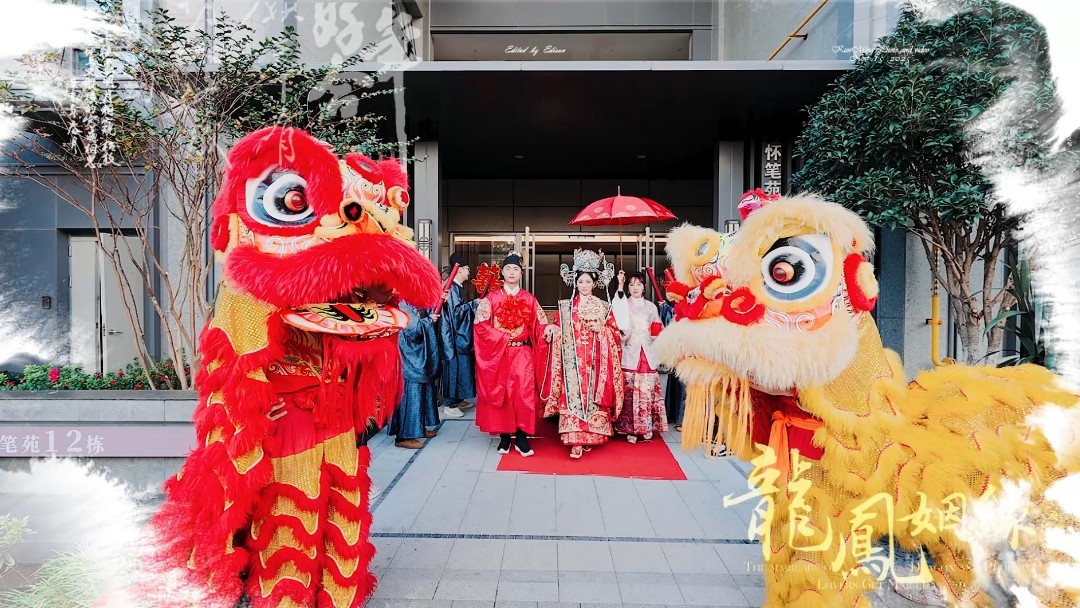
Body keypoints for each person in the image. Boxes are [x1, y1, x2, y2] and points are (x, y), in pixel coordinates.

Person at [542, 250, 624, 459]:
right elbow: (559, 327)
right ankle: (575, 441)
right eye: (580, 281)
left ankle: (592, 436)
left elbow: (615, 334)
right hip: (573, 363)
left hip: (596, 363)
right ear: (575, 283)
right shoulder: (567, 307)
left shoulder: (604, 307)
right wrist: (553, 329)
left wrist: (602, 330)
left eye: (588, 281)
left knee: (594, 398)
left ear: (594, 283)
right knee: (573, 399)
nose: (584, 285)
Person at [473, 252, 557, 457]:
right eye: (508, 269)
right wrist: (502, 337)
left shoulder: (529, 299)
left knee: (524, 394)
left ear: (521, 273)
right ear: (502, 272)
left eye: (516, 269)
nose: (512, 272)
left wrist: (547, 329)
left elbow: (539, 324)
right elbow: (480, 326)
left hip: (523, 354)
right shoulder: (491, 299)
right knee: (503, 394)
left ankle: (521, 437)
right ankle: (504, 437)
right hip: (500, 354)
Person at [611, 271, 667, 442]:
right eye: (631, 284)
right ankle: (629, 429)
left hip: (647, 352)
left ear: (644, 287)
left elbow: (657, 326)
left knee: (647, 393)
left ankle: (646, 427)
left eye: (639, 284)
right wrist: (623, 334)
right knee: (630, 393)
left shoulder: (651, 306)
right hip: (630, 351)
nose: (635, 287)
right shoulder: (623, 304)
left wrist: (656, 334)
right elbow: (618, 324)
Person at [388, 301, 442, 449]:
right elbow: (412, 330)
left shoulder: (411, 300)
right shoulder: (402, 303)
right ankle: (404, 436)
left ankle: (418, 428)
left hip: (416, 353)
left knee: (422, 392)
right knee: (410, 394)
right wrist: (429, 320)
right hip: (408, 355)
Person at [439, 253, 478, 419]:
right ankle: (450, 404)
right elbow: (455, 314)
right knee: (453, 369)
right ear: (459, 269)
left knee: (463, 368)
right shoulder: (451, 288)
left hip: (459, 335)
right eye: (467, 269)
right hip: (452, 337)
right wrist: (473, 304)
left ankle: (459, 399)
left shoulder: (458, 287)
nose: (469, 272)